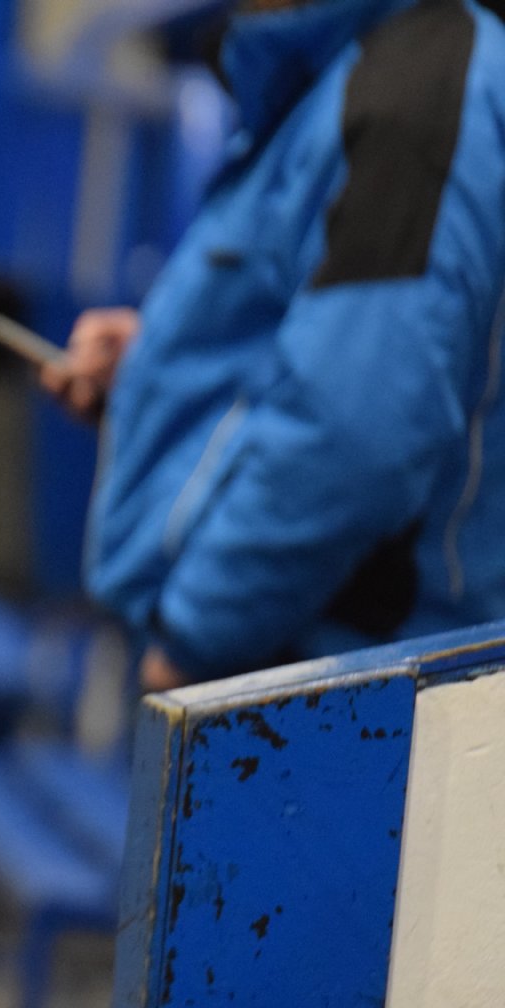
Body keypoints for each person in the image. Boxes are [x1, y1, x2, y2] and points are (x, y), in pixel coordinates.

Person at [41, 0, 505, 690]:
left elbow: (355, 434)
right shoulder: (347, 71)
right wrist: (159, 371)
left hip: (345, 697)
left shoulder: (419, 89)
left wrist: (196, 638)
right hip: (295, 674)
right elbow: (332, 346)